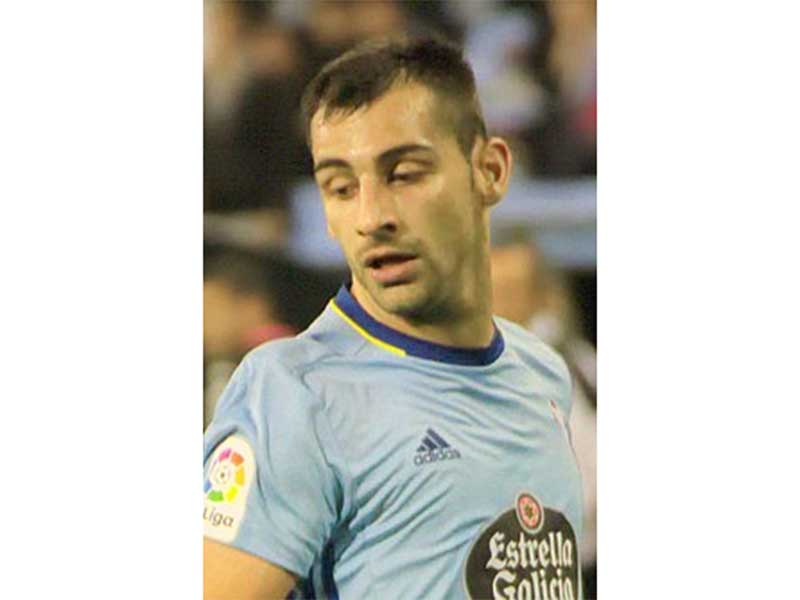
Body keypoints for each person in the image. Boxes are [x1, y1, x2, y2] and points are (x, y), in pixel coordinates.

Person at [203, 37, 584, 600]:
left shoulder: (541, 374)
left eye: (403, 174)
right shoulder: (294, 394)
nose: (371, 216)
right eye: (340, 187)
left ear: (490, 170)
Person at [490, 229, 597, 598]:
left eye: (514, 288)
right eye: (495, 289)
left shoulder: (582, 367)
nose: (505, 301)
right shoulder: (461, 383)